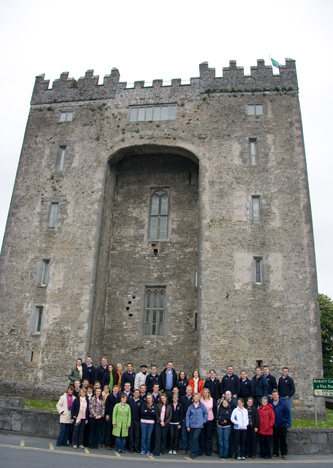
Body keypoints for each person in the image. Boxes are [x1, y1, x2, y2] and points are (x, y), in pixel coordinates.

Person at [186, 392, 208, 459]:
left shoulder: (202, 406)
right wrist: (188, 425)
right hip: (192, 425)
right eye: (195, 397)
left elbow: (206, 414)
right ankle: (194, 450)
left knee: (195, 438)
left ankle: (194, 452)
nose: (196, 398)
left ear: (199, 398)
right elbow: (188, 415)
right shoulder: (191, 406)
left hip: (199, 425)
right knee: (192, 439)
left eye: (197, 397)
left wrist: (203, 421)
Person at [271, 390, 290, 460]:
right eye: (273, 395)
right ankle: (275, 453)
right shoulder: (271, 404)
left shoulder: (283, 403)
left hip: (282, 425)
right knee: (275, 440)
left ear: (278, 396)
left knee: (283, 440)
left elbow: (287, 412)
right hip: (274, 425)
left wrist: (284, 420)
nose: (275, 396)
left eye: (276, 395)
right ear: (272, 396)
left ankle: (284, 453)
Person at [200, 388, 216, 456]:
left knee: (209, 435)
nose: (205, 394)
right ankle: (201, 450)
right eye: (204, 393)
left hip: (210, 419)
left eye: (207, 393)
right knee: (202, 435)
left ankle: (208, 450)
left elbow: (214, 409)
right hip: (202, 419)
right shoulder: (201, 400)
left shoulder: (212, 400)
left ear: (209, 393)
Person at [128, 388, 143, 453]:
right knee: (130, 434)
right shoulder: (129, 401)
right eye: (135, 393)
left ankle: (136, 448)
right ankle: (131, 448)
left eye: (137, 393)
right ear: (133, 393)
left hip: (137, 420)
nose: (136, 394)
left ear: (139, 395)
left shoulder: (141, 402)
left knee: (137, 435)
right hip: (130, 419)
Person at [105, 385, 120, 449]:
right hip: (110, 414)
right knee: (109, 430)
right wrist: (107, 414)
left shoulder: (119, 397)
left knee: (115, 430)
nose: (116, 390)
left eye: (117, 389)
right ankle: (108, 444)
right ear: (113, 390)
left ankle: (113, 443)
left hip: (117, 415)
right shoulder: (109, 396)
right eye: (115, 389)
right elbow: (107, 405)